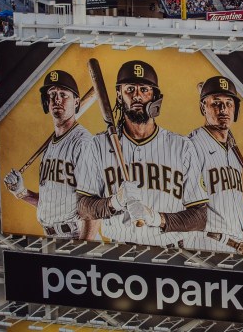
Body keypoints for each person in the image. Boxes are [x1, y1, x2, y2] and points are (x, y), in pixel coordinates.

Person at [76, 60, 209, 246]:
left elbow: (200, 216)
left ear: (155, 96)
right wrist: (113, 202)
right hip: (117, 250)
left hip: (168, 252)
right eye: (130, 89)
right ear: (119, 95)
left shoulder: (181, 147)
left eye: (144, 90)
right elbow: (83, 207)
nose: (137, 96)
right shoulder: (97, 145)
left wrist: (156, 218)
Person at [3, 70, 96, 239]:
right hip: (51, 237)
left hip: (77, 236)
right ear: (47, 102)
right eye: (52, 94)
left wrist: (85, 249)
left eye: (63, 94)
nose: (57, 99)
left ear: (76, 102)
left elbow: (93, 207)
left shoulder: (83, 143)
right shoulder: (49, 147)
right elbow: (51, 205)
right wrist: (21, 192)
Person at [185, 75, 243, 254]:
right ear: (203, 107)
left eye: (229, 103)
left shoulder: (233, 152)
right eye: (216, 103)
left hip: (233, 248)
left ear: (235, 110)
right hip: (204, 245)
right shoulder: (191, 147)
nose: (223, 109)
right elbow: (186, 208)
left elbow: (220, 206)